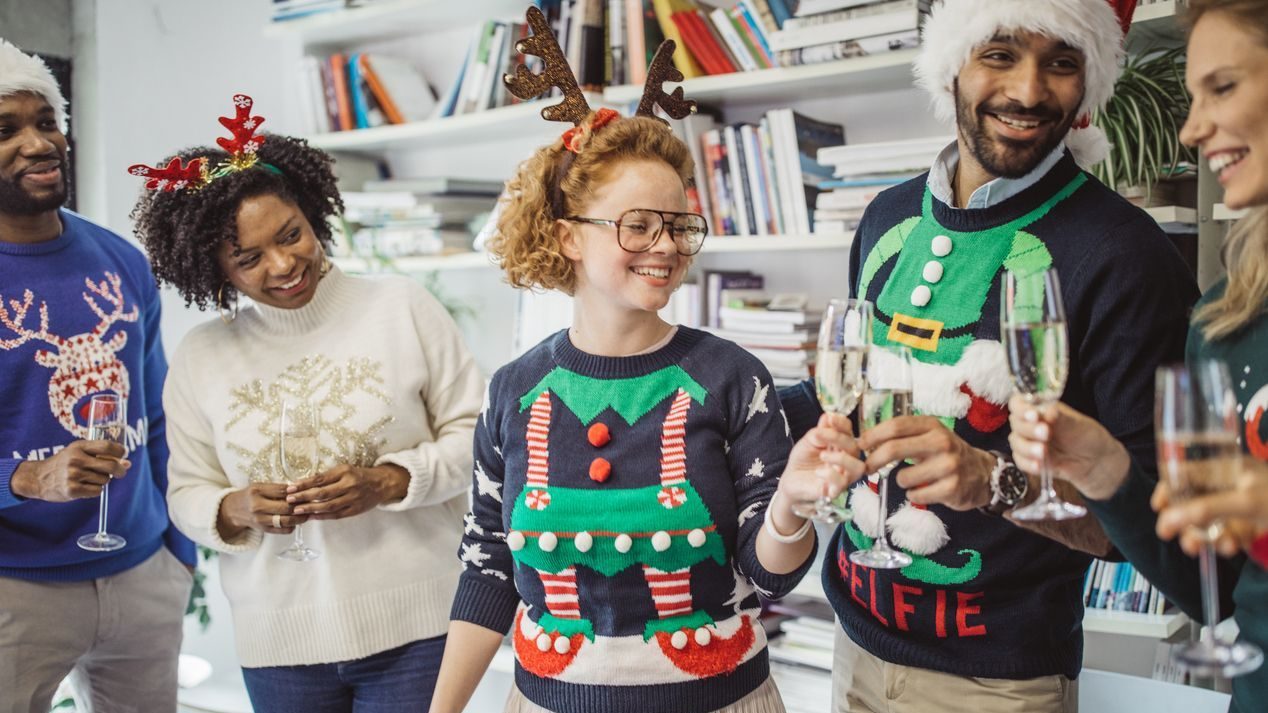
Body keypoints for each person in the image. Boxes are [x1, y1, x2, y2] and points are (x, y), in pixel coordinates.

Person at [777, 0, 1201, 710]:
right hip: (851, 647)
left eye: (1062, 62)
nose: (1030, 91)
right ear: (952, 68)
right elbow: (846, 393)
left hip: (999, 683)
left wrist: (995, 480)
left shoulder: (1129, 255)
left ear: (1088, 82)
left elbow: (1149, 525)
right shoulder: (886, 216)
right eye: (999, 53)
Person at [427, 15, 840, 713]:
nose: (667, 245)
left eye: (679, 225)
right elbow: (488, 569)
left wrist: (794, 508)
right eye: (638, 225)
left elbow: (769, 576)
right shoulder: (514, 391)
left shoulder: (734, 378)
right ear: (568, 237)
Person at [130, 93, 484, 712]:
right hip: (280, 644)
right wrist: (233, 508)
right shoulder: (202, 355)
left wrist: (392, 480)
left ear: (312, 214)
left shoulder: (401, 307)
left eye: (291, 235)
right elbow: (185, 494)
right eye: (249, 258)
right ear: (216, 271)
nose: (285, 263)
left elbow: (481, 442)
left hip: (420, 627)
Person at [1008, 1, 1268, 710]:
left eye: (1223, 88)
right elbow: (1209, 592)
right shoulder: (1223, 324)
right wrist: (1107, 472)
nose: (1190, 129)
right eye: (1191, 98)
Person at [0, 39, 196, 713]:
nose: (38, 143)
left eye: (45, 122)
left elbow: (163, 411)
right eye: (6, 130)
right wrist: (26, 478)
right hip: (14, 587)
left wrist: (180, 552)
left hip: (142, 572)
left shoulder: (119, 259)